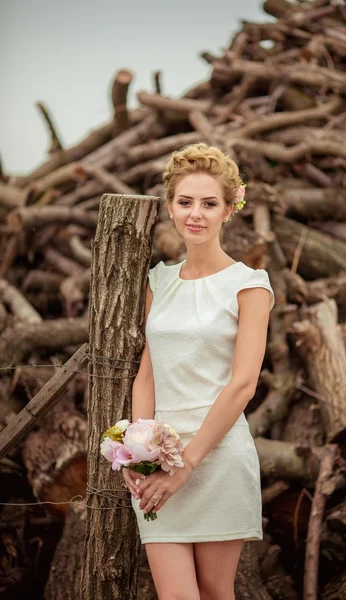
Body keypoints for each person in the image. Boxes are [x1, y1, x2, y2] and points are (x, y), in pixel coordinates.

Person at [123, 143, 275, 600]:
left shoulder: (249, 285)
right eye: (185, 202)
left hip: (217, 458)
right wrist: (137, 451)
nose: (196, 214)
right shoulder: (158, 281)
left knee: (213, 591)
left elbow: (243, 385)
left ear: (229, 209)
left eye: (209, 203)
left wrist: (185, 466)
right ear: (170, 207)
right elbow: (146, 374)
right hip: (158, 464)